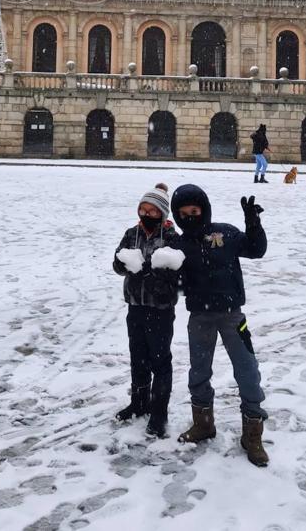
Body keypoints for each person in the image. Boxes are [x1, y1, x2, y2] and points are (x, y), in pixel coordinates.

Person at [171, 183, 269, 467]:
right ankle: (203, 424)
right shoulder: (178, 245)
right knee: (199, 370)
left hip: (232, 316)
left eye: (194, 210)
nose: (190, 216)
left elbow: (256, 250)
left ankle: (252, 433)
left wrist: (253, 225)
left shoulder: (224, 232)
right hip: (199, 317)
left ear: (204, 209)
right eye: (183, 213)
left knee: (247, 370)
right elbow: (175, 283)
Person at [113, 182, 184, 438]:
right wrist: (124, 264)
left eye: (152, 211)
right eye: (143, 209)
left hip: (160, 310)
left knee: (160, 361)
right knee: (138, 357)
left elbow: (179, 276)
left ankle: (158, 413)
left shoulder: (172, 238)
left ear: (162, 213)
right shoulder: (132, 233)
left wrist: (154, 275)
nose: (146, 214)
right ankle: (139, 402)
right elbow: (117, 262)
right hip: (135, 306)